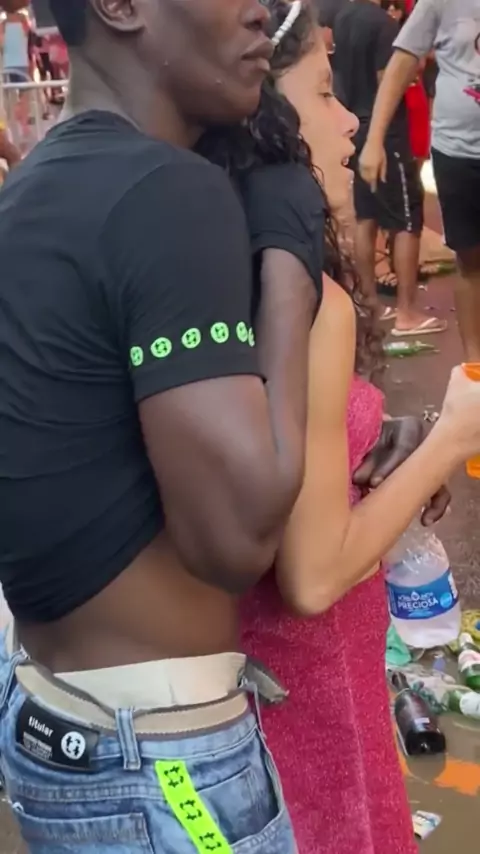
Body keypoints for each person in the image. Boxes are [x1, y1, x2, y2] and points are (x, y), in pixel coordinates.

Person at [0, 0, 319, 849]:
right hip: (160, 764)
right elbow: (236, 539)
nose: (261, 12)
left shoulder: (30, 188)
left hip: (57, 725)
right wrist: (290, 268)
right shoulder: (168, 191)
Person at [203, 4, 480, 852]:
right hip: (311, 686)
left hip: (245, 694)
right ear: (264, 115)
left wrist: (372, 442)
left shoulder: (215, 265)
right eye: (325, 93)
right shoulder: (306, 301)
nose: (352, 118)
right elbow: (313, 574)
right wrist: (452, 438)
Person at [359, 0, 480, 361]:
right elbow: (402, 62)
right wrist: (374, 140)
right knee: (470, 258)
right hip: (458, 152)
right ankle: (475, 367)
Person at [333, 0, 446, 335]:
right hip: (385, 134)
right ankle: (407, 313)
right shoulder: (383, 25)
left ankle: (369, 301)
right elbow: (390, 81)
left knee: (366, 216)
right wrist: (413, 69)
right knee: (406, 220)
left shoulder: (343, 17)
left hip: (356, 124)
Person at [382, 0, 430, 171]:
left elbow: (420, 63)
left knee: (419, 143)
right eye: (388, 6)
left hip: (412, 91)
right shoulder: (382, 28)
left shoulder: (410, 28)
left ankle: (414, 178)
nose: (392, 10)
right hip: (392, 96)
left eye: (396, 7)